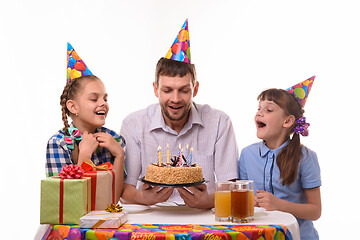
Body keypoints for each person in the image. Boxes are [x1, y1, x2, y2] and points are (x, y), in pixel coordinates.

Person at [120, 20, 239, 209]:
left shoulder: (219, 122)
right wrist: (146, 198)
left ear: (196, 89)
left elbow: (232, 188)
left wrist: (207, 201)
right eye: (167, 90)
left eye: (184, 90)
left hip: (203, 221)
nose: (175, 99)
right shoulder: (134, 124)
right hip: (152, 221)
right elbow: (124, 191)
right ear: (155, 89)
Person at [239, 77, 321, 240]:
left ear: (288, 121)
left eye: (269, 110)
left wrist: (279, 205)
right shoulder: (247, 154)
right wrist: (252, 202)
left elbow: (315, 211)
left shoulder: (305, 157)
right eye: (259, 108)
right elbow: (243, 198)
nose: (259, 113)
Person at [46, 43, 126, 201]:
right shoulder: (59, 144)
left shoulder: (115, 140)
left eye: (105, 98)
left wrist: (119, 154)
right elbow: (66, 200)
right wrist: (84, 156)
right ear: (73, 106)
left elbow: (113, 200)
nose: (103, 103)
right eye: (94, 98)